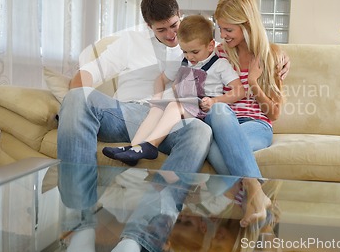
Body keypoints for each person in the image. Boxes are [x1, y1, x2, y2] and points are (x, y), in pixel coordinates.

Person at [57, 0, 213, 252]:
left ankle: (137, 239)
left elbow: (243, 51)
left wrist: (278, 53)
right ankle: (81, 229)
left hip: (170, 121)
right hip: (126, 114)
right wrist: (75, 101)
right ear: (148, 26)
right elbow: (90, 73)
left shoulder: (196, 38)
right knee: (76, 97)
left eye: (174, 25)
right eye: (161, 30)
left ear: (180, 14)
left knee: (200, 131)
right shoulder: (129, 42)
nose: (171, 35)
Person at [102, 14, 245, 166]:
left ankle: (151, 145)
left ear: (210, 46)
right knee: (156, 109)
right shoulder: (182, 61)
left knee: (173, 106)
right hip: (182, 105)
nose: (189, 57)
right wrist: (159, 96)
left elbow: (239, 91)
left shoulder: (220, 64)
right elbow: (161, 79)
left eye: (194, 52)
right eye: (185, 51)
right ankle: (134, 149)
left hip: (204, 109)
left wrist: (215, 101)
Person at [204, 0, 286, 227]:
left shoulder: (269, 56)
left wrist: (252, 82)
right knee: (218, 111)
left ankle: (245, 200)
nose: (223, 35)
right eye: (221, 29)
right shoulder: (218, 54)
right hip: (223, 121)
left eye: (229, 30)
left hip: (257, 126)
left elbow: (274, 114)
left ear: (248, 26)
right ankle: (256, 192)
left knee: (217, 152)